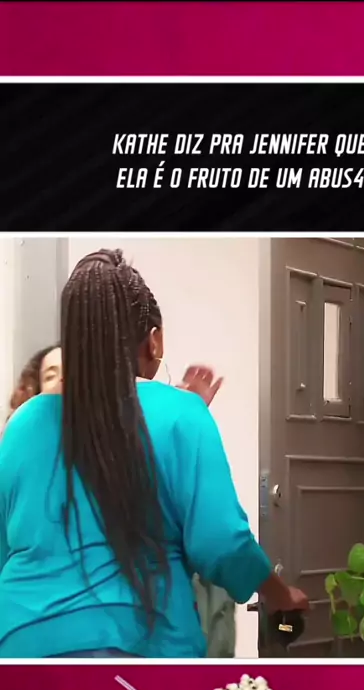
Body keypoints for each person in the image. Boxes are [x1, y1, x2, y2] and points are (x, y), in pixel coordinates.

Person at [0, 249, 308, 658]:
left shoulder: (23, 424)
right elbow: (222, 542)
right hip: (143, 650)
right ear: (154, 340)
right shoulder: (182, 414)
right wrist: (281, 594)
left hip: (22, 649)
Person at [7, 347, 235, 657]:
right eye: (53, 375)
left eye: (73, 372)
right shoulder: (24, 444)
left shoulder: (131, 442)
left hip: (133, 633)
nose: (66, 381)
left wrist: (177, 418)